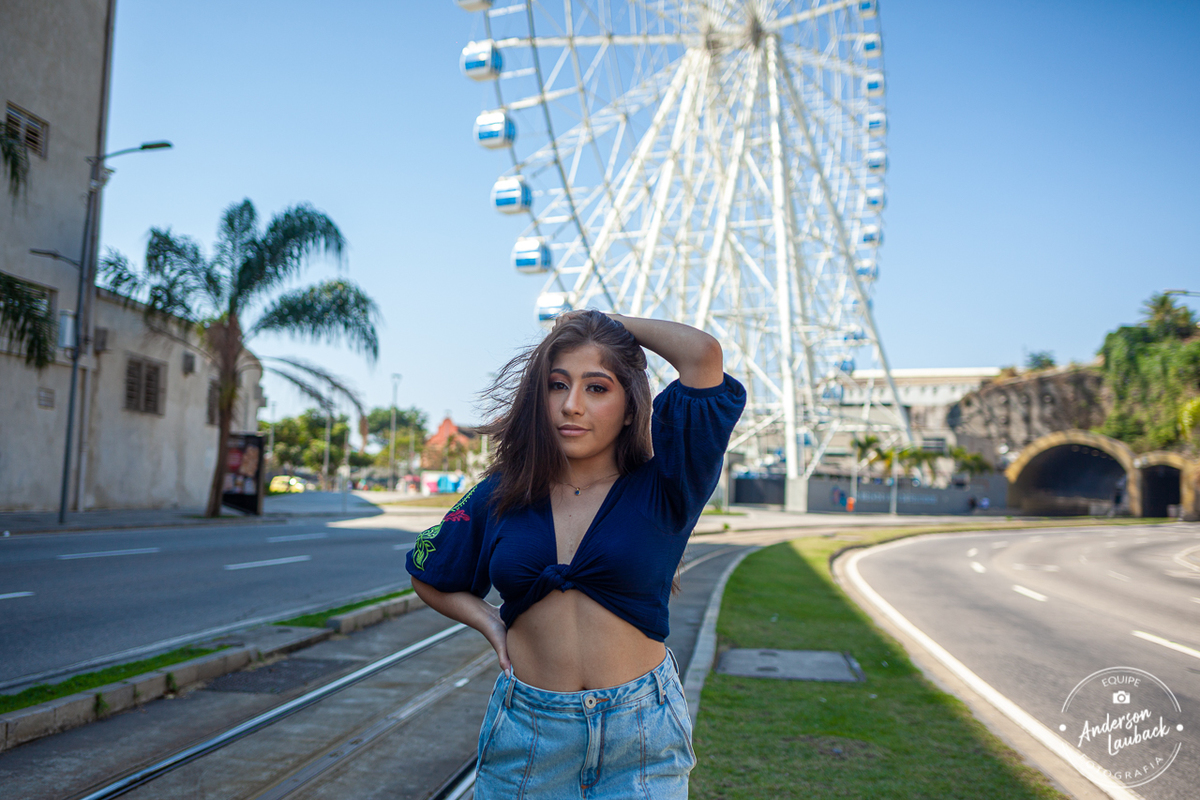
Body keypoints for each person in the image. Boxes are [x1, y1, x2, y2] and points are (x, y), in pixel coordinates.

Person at [406, 310, 745, 799]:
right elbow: (430, 572)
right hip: (528, 734)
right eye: (557, 385)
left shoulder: (668, 487)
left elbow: (702, 355)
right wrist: (489, 622)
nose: (571, 405)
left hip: (641, 736)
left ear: (629, 408)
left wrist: (600, 320)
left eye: (597, 388)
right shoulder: (503, 492)